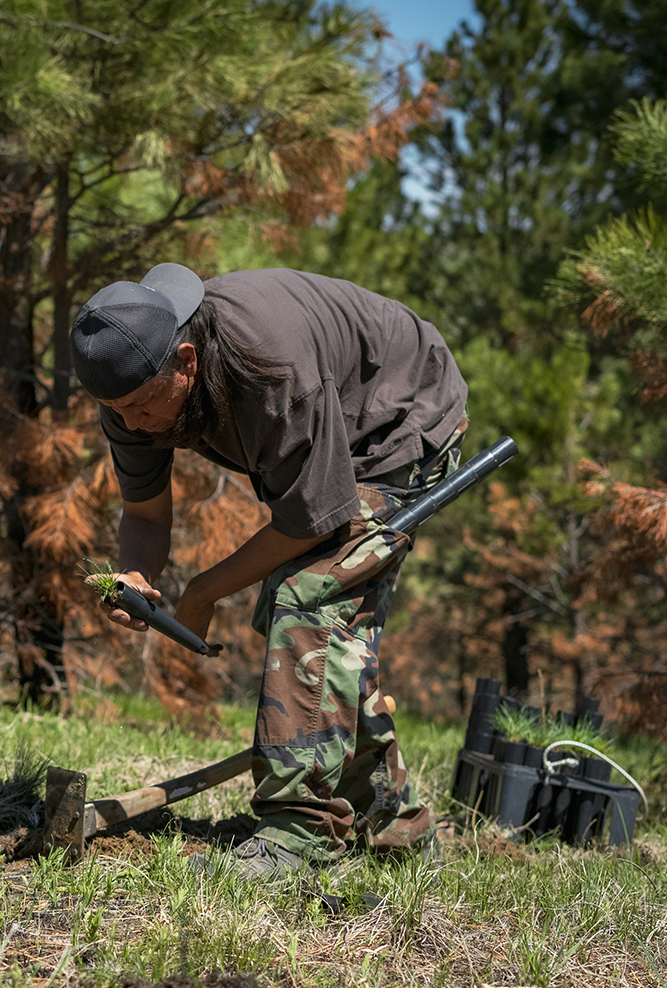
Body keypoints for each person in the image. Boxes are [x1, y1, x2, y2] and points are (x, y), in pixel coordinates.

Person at [72, 263, 468, 878]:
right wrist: (138, 577)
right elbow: (144, 514)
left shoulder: (268, 365)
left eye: (143, 407)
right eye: (115, 411)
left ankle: (300, 833)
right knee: (316, 629)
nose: (132, 425)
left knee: (309, 594)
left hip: (400, 411)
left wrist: (202, 592)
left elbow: (314, 520)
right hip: (336, 416)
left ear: (186, 360)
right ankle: (398, 828)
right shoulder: (129, 384)